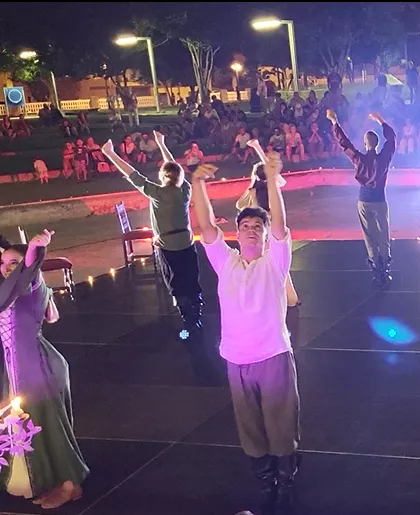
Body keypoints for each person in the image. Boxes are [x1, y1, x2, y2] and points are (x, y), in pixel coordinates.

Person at [191, 155, 300, 515]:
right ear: (237, 233)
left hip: (272, 356)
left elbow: (282, 226)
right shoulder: (226, 263)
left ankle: (286, 480)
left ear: (265, 235)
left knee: (281, 423)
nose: (252, 229)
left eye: (258, 226)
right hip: (237, 360)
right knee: (250, 429)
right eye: (246, 225)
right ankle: (266, 480)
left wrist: (270, 179)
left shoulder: (275, 262)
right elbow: (206, 227)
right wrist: (197, 184)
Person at [0, 230, 89, 509]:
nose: (7, 268)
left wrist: (36, 249)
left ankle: (70, 485)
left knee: (50, 426)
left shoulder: (29, 283)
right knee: (31, 427)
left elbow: (30, 272)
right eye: (3, 264)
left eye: (14, 262)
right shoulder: (11, 289)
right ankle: (44, 478)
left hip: (38, 367)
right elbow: (51, 315)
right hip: (18, 366)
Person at [101, 131, 204, 341]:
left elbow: (133, 175)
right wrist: (161, 143)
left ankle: (188, 318)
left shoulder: (157, 194)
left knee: (176, 283)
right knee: (191, 279)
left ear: (163, 176)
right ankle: (197, 316)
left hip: (167, 245)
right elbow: (174, 167)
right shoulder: (185, 190)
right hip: (186, 241)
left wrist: (111, 154)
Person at [327, 108, 396, 286]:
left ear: (365, 144)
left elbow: (345, 145)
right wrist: (380, 119)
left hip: (364, 200)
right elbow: (392, 139)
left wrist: (335, 122)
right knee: (383, 233)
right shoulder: (384, 158)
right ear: (376, 143)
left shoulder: (359, 159)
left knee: (369, 235)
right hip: (380, 200)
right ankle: (386, 266)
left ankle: (375, 268)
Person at [236, 140, 301, 308]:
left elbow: (239, 205)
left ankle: (278, 297)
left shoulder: (254, 189)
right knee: (279, 264)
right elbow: (275, 176)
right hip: (271, 227)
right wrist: (258, 148)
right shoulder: (272, 186)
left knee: (265, 265)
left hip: (262, 231)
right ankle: (290, 297)